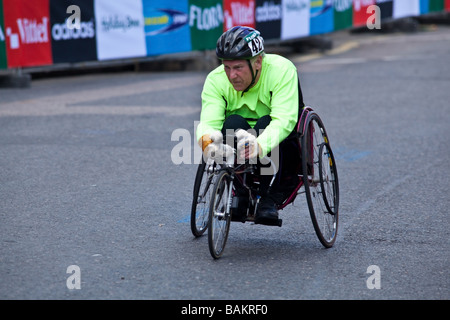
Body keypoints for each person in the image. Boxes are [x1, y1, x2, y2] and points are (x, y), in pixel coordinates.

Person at [196, 26, 305, 225]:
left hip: (277, 135)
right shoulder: (216, 80)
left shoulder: (282, 70)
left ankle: (268, 197)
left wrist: (261, 145)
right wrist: (207, 142)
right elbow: (209, 122)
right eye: (226, 67)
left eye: (238, 68)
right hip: (241, 134)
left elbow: (284, 120)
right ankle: (240, 192)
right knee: (232, 123)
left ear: (258, 62)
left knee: (266, 124)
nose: (231, 75)